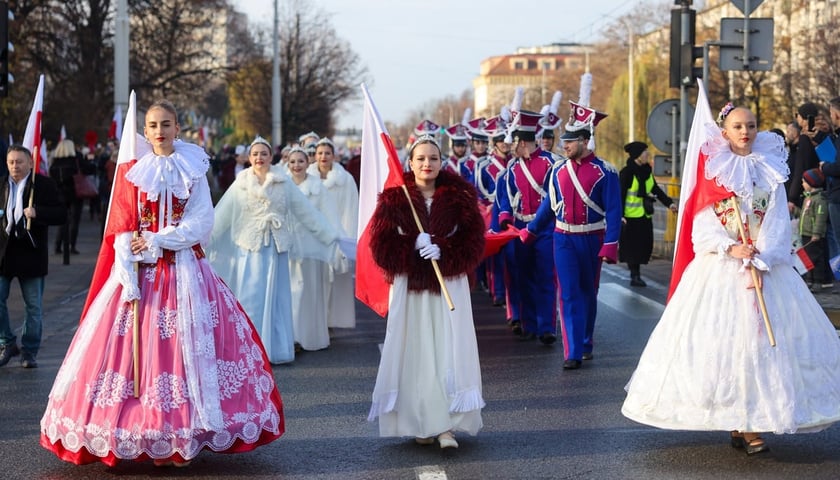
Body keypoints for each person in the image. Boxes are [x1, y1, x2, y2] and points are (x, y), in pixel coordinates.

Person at [40, 100, 284, 466]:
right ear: (146, 130)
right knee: (132, 355)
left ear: (177, 128)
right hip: (142, 275)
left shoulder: (194, 167)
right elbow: (121, 224)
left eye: (166, 124)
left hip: (184, 270)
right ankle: (144, 432)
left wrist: (159, 239)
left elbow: (202, 222)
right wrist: (129, 252)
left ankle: (182, 433)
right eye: (152, 125)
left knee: (186, 351)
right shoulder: (136, 169)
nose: (159, 131)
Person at [622, 104, 840, 455]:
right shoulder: (713, 173)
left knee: (764, 347)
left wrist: (763, 254)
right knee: (726, 347)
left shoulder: (770, 169)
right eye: (738, 126)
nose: (745, 132)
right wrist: (730, 248)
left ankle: (752, 421)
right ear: (725, 131)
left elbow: (778, 223)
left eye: (751, 125)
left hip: (766, 270)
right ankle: (737, 419)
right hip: (722, 273)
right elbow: (702, 227)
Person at [367, 134, 485, 450]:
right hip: (411, 289)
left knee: (449, 351)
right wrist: (411, 245)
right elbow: (379, 248)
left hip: (449, 285)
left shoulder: (460, 196)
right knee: (417, 352)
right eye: (420, 158)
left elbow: (475, 243)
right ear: (410, 162)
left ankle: (447, 426)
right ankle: (421, 420)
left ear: (441, 161)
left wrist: (443, 250)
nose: (427, 164)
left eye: (433, 158)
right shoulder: (395, 198)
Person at [209, 137, 345, 363]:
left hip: (276, 249)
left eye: (264, 153)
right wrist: (202, 238)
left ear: (271, 157)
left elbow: (307, 213)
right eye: (255, 154)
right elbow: (222, 216)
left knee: (278, 300)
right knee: (250, 298)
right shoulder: (241, 182)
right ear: (249, 157)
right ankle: (248, 349)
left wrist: (329, 237)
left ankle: (275, 348)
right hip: (249, 249)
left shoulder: (283, 182)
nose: (259, 158)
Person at [521, 116, 621, 369]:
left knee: (588, 292)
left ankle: (586, 342)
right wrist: (531, 231)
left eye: (570, 141)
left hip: (592, 238)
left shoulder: (606, 172)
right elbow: (549, 206)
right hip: (563, 238)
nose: (564, 146)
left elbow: (613, 210)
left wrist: (611, 244)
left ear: (585, 141)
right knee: (567, 294)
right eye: (563, 141)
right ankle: (572, 352)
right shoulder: (557, 170)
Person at [0, 145, 65, 368]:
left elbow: (61, 214)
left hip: (30, 252)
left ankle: (29, 351)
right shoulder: (1, 184)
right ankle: (7, 342)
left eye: (19, 162)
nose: (15, 166)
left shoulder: (43, 185)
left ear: (30, 163)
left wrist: (39, 213)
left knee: (33, 307)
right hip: (4, 254)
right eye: (11, 162)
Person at [496, 110, 557, 345]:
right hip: (520, 226)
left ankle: (546, 327)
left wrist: (536, 225)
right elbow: (505, 196)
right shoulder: (512, 168)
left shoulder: (551, 163)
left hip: (545, 228)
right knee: (523, 277)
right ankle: (529, 324)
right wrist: (505, 219)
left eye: (514, 143)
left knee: (545, 277)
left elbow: (553, 197)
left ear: (523, 142)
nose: (510, 148)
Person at [285, 147, 341, 351]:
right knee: (291, 292)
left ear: (307, 163)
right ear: (287, 164)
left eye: (300, 161)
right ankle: (291, 337)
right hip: (288, 247)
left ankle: (311, 337)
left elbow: (330, 215)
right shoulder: (283, 184)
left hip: (313, 248)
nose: (296, 166)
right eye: (292, 162)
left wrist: (335, 239)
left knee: (309, 291)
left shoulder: (317, 186)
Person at [307, 137, 358, 329]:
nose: (323, 157)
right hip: (313, 237)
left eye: (327, 153)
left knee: (333, 281)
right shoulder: (307, 177)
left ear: (334, 156)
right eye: (319, 153)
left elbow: (350, 210)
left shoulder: (345, 180)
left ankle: (330, 321)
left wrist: (347, 240)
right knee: (313, 282)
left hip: (337, 237)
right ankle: (314, 322)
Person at [618, 141, 677, 287]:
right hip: (630, 217)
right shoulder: (627, 172)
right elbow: (620, 194)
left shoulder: (646, 172)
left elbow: (656, 189)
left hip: (645, 215)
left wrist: (669, 203)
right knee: (632, 248)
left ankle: (636, 273)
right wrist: (620, 215)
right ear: (638, 155)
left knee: (644, 245)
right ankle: (635, 275)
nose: (647, 154)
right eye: (645, 152)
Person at [49, 139, 95, 255]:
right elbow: (90, 169)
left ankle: (58, 245)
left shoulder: (55, 162)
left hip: (60, 195)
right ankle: (71, 246)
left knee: (62, 220)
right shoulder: (76, 159)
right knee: (74, 221)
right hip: (75, 194)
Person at [798, 167, 833, 291]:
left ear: (811, 183)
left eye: (804, 181)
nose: (802, 183)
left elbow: (820, 217)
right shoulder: (808, 197)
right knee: (807, 257)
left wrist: (817, 233)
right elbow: (804, 213)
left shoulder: (819, 200)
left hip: (813, 234)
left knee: (816, 258)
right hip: (806, 233)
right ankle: (809, 279)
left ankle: (818, 280)